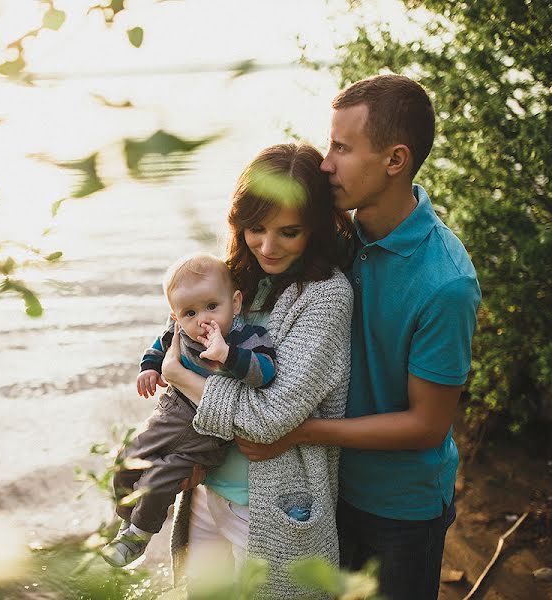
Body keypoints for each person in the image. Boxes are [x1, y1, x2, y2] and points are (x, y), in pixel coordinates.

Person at [237, 74, 481, 600]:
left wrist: (302, 432)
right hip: (325, 487)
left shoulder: (446, 282)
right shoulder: (336, 236)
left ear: (395, 160)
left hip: (400, 511)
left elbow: (426, 425)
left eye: (342, 148)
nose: (326, 163)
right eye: (329, 144)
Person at [161, 143, 354, 599]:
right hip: (208, 495)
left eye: (289, 232)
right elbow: (176, 335)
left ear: (315, 228)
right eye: (256, 228)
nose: (268, 246)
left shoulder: (325, 296)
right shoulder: (232, 278)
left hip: (274, 510)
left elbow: (270, 419)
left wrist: (182, 378)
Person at [102, 252, 278, 568]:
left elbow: (265, 373)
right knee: (125, 462)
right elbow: (161, 342)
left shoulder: (249, 338)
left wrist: (228, 355)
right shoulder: (181, 330)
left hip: (206, 435)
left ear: (235, 303)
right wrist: (150, 367)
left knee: (161, 477)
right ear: (176, 315)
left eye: (213, 306)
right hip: (172, 414)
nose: (202, 320)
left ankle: (139, 536)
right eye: (190, 313)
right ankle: (126, 521)